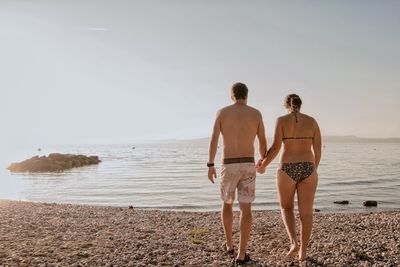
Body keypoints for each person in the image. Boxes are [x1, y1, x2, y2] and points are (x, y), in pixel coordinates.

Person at [256, 94, 321, 262]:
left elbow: (276, 147)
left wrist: (263, 164)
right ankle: (303, 252)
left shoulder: (281, 120)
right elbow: (318, 150)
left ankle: (294, 243)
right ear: (301, 105)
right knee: (306, 213)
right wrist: (313, 169)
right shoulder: (312, 122)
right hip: (308, 167)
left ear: (286, 105)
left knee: (286, 208)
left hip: (287, 168)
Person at [207, 82, 267, 265]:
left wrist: (210, 164)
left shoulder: (222, 112)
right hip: (248, 164)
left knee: (227, 204)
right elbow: (263, 141)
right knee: (246, 209)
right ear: (246, 96)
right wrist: (262, 160)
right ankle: (241, 253)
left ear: (232, 96)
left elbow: (214, 139)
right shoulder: (256, 114)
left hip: (229, 164)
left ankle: (229, 244)